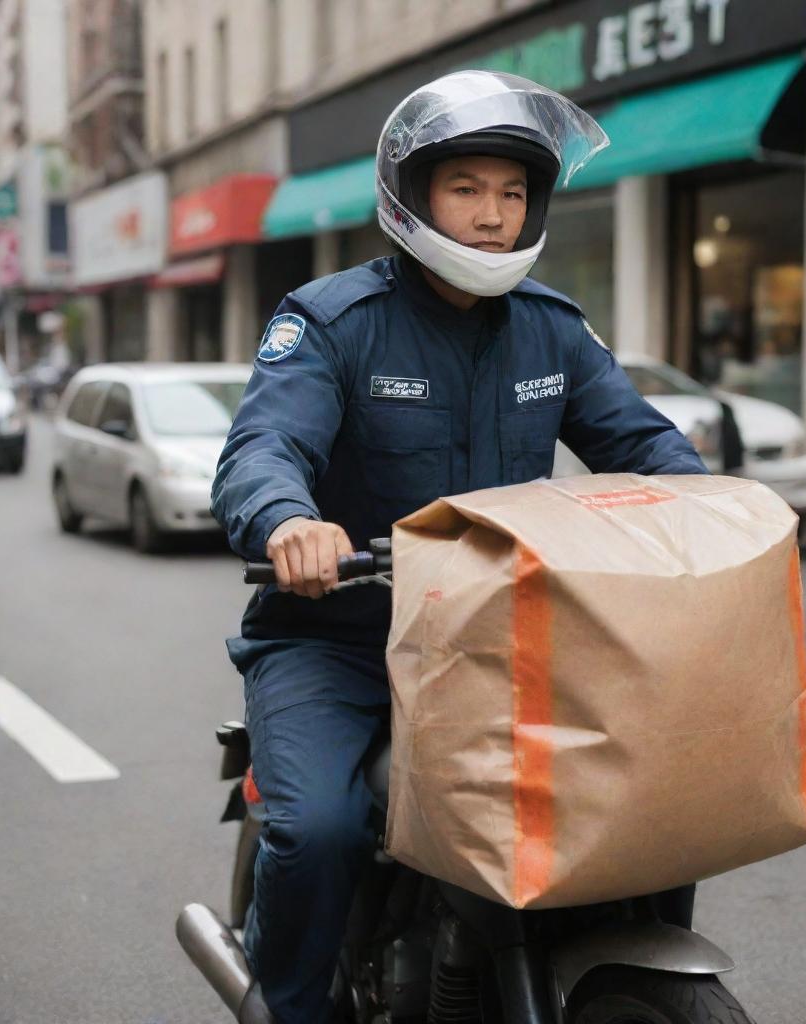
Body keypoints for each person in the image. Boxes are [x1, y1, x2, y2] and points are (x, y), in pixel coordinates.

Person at [212, 71, 710, 1024]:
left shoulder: (553, 332)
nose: (493, 215)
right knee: (318, 828)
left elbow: (646, 447)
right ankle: (293, 1007)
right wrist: (288, 521)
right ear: (415, 196)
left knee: (653, 808)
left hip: (504, 634)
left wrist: (722, 512)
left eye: (514, 192)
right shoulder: (330, 322)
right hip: (342, 635)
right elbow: (264, 448)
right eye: (468, 188)